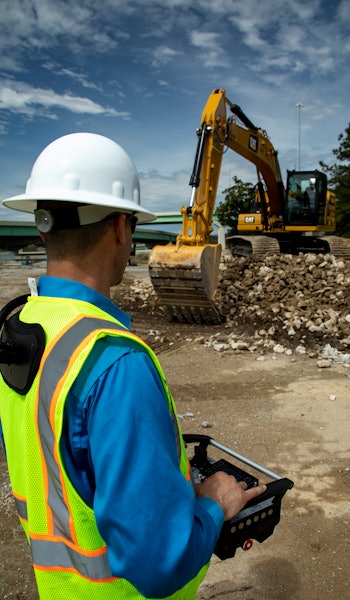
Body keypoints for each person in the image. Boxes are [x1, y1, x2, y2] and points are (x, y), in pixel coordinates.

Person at [0, 133, 266, 600]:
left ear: (42, 228)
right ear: (121, 228)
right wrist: (211, 507)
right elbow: (159, 563)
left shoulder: (22, 326)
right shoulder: (115, 363)